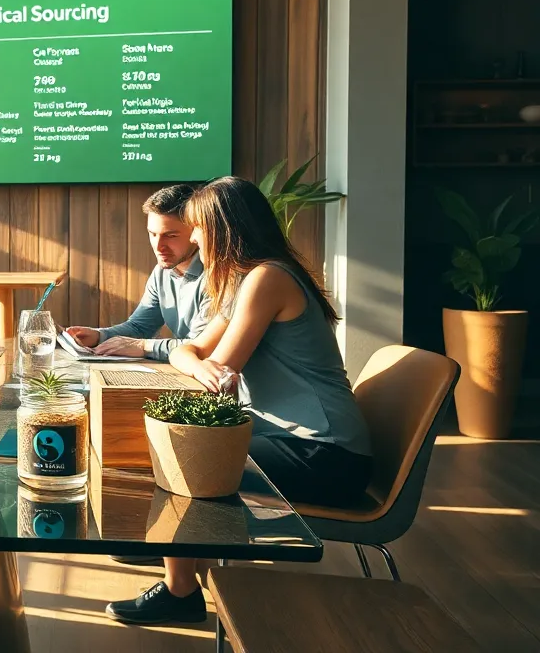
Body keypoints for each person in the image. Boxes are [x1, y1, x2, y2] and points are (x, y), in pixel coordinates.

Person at [105, 177, 373, 626]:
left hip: (325, 454)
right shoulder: (247, 279)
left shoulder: (268, 279)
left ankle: (181, 591)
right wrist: (192, 358)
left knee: (184, 457)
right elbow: (196, 351)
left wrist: (194, 359)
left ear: (224, 229)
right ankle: (177, 553)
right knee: (178, 449)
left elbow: (220, 367)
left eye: (198, 229)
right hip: (298, 441)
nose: (192, 239)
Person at [66, 184, 209, 360]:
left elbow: (200, 347)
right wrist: (98, 336)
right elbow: (140, 328)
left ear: (197, 231)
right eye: (153, 234)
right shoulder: (161, 272)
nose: (158, 247)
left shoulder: (216, 277)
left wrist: (145, 346)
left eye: (171, 236)